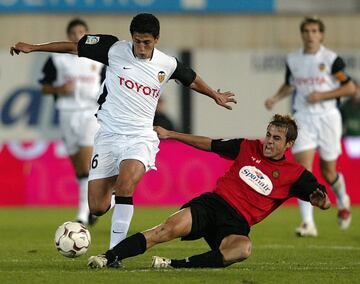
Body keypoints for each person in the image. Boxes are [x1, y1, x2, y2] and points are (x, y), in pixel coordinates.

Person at [11, 13, 236, 267]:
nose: (141, 48)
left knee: (126, 185)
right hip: (108, 135)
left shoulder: (167, 63)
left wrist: (214, 94)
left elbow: (191, 78)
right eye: (137, 41)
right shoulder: (113, 48)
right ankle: (116, 202)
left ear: (157, 40)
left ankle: (112, 255)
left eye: (147, 43)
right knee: (97, 206)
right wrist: (34, 48)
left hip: (140, 136)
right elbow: (74, 47)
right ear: (131, 37)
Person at [87, 113, 330, 269]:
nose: (268, 141)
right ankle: (108, 257)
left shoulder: (296, 174)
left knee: (242, 249)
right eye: (268, 134)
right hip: (212, 205)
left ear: (289, 144)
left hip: (236, 224)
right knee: (164, 230)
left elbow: (323, 199)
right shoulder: (248, 147)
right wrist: (172, 134)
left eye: (276, 138)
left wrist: (321, 202)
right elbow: (210, 144)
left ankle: (174, 265)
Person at [264, 17, 355, 237]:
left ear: (321, 34)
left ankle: (343, 200)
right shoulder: (293, 59)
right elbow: (289, 83)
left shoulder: (332, 60)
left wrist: (323, 95)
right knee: (303, 170)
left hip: (328, 118)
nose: (310, 34)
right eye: (306, 31)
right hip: (303, 118)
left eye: (314, 31)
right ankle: (308, 223)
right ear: (302, 34)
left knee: (328, 171)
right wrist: (275, 97)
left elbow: (350, 87)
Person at [39, 18, 104, 225]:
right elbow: (44, 87)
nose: (78, 36)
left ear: (87, 35)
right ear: (69, 36)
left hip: (89, 113)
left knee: (86, 163)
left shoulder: (98, 59)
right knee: (78, 167)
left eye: (82, 32)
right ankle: (95, 203)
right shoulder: (58, 60)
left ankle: (83, 213)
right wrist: (60, 89)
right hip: (67, 113)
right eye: (74, 32)